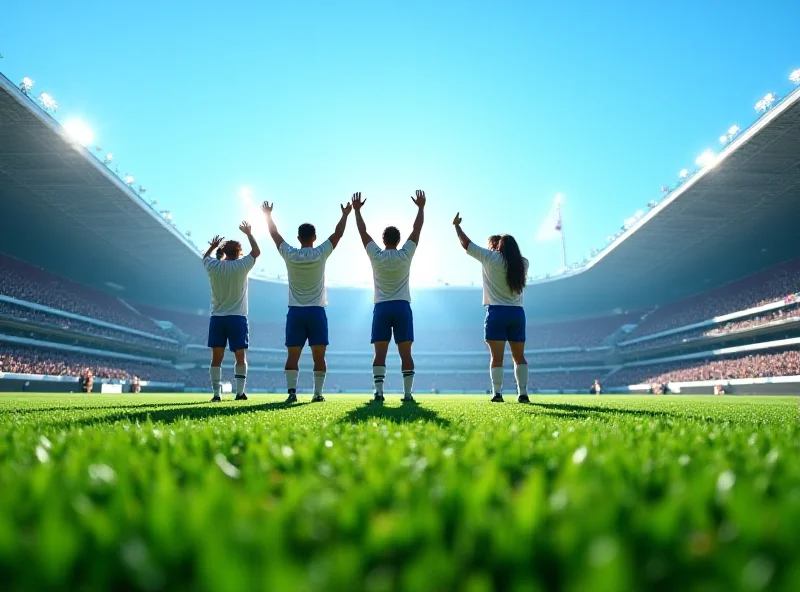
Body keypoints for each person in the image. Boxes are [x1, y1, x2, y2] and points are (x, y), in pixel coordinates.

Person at [263, 200, 352, 403]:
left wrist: (268, 215)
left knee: (292, 356)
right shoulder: (320, 253)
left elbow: (275, 235)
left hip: (295, 311)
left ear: (298, 238)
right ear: (314, 237)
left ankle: (292, 393)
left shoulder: (290, 254)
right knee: (319, 356)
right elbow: (337, 235)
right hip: (316, 312)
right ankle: (317, 394)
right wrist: (345, 214)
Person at [351, 190, 426, 403]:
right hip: (402, 306)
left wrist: (357, 211)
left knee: (380, 354)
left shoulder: (376, 255)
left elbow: (362, 232)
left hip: (382, 307)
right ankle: (408, 394)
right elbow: (417, 229)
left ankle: (379, 393)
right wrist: (421, 208)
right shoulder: (405, 254)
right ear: (399, 239)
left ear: (383, 240)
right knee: (406, 354)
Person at [453, 213, 530, 403]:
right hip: (517, 313)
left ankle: (497, 393)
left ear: (499, 246)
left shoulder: (490, 258)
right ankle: (523, 393)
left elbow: (466, 244)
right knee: (519, 357)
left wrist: (457, 227)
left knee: (497, 358)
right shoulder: (523, 263)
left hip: (497, 312)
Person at [202, 222, 261, 402]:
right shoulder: (242, 265)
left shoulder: (214, 266)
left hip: (217, 318)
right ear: (239, 252)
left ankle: (216, 395)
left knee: (216, 359)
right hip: (237, 318)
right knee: (240, 357)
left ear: (223, 252)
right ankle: (240, 393)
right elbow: (256, 252)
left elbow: (204, 258)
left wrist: (212, 247)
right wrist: (249, 234)